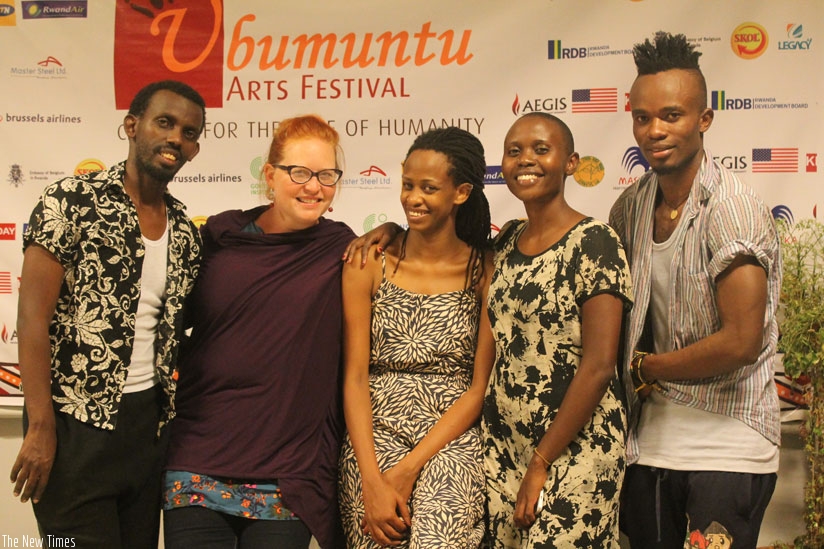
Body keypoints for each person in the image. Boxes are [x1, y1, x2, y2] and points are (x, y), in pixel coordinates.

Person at [10, 80, 205, 548]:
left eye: (189, 132)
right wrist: (40, 427)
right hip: (71, 428)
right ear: (132, 126)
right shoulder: (71, 201)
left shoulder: (185, 230)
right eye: (164, 122)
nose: (175, 138)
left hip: (146, 433)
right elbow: (32, 320)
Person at [610, 32, 781, 548]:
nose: (655, 131)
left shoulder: (731, 207)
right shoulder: (630, 208)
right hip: (649, 445)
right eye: (643, 118)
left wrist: (647, 367)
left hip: (728, 444)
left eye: (672, 115)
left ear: (704, 119)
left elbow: (741, 342)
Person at [162, 114, 355, 549]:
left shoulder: (343, 250)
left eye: (326, 175)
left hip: (287, 470)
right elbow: (167, 318)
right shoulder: (221, 236)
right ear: (269, 175)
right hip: (198, 456)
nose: (314, 187)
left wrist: (390, 231)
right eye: (299, 172)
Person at [337, 127, 495, 548]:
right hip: (374, 436)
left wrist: (409, 469)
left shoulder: (486, 269)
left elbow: (478, 387)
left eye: (428, 188)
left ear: (461, 193)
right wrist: (371, 479)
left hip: (452, 437)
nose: (413, 198)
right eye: (408, 185)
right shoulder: (368, 263)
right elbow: (355, 378)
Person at [482, 113, 632, 548]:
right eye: (514, 151)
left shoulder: (595, 241)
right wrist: (389, 232)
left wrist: (541, 461)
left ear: (570, 163)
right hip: (504, 449)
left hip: (575, 448)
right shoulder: (506, 241)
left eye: (541, 149)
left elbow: (600, 365)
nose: (525, 159)